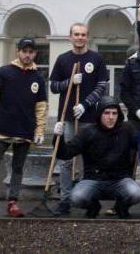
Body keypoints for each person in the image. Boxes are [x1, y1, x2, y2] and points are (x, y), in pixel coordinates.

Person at [0, 37, 47, 217]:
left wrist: (40, 131)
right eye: (24, 51)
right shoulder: (4, 72)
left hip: (24, 131)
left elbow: (41, 107)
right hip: (2, 129)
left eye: (31, 51)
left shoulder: (38, 78)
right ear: (18, 51)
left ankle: (13, 203)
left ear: (35, 53)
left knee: (18, 168)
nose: (27, 54)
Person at [49, 22, 109, 216]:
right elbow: (53, 86)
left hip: (89, 118)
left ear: (87, 37)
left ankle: (87, 200)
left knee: (89, 160)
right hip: (67, 118)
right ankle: (65, 200)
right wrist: (69, 82)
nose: (80, 38)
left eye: (83, 35)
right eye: (76, 34)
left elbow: (101, 86)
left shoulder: (96, 58)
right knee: (65, 161)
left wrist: (85, 104)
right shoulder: (62, 59)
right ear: (70, 37)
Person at [53, 96, 140, 219]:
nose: (111, 117)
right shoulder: (88, 132)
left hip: (120, 180)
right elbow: (65, 153)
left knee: (136, 193)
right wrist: (58, 137)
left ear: (119, 115)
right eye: (107, 113)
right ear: (100, 114)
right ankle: (93, 207)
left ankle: (121, 206)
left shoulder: (126, 130)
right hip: (93, 180)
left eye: (114, 113)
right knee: (76, 197)